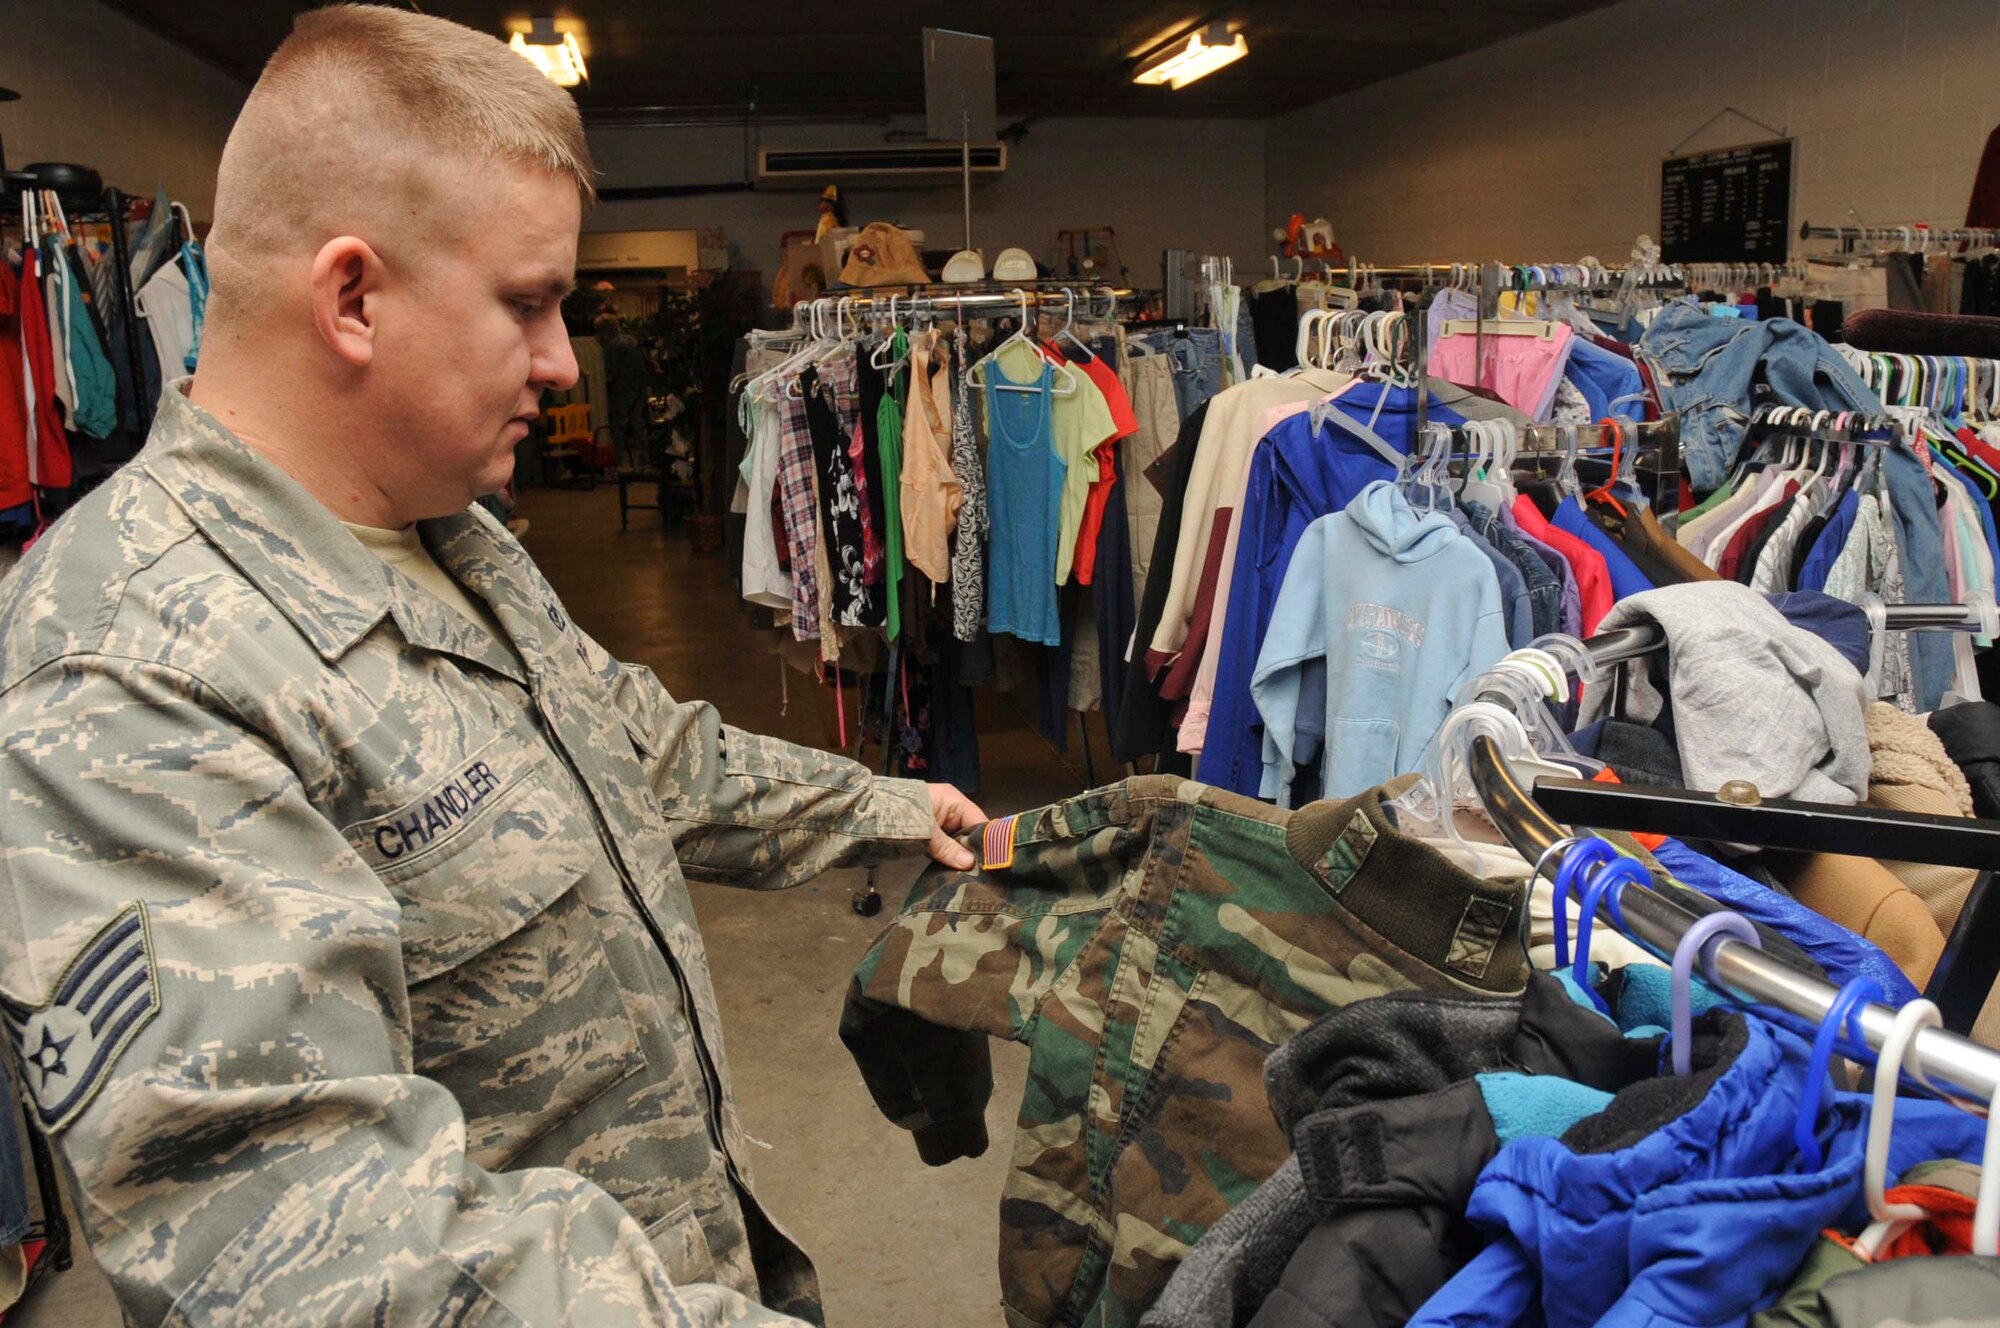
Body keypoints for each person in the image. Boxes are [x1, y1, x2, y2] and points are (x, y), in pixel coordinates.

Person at [0, 8, 984, 1326]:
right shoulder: (124, 679)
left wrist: (890, 809)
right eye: (527, 305)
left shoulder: (447, 527)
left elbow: (624, 742)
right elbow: (324, 1254)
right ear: (353, 297)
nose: (565, 361)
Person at [595, 311, 651, 470]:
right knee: (637, 424)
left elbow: (610, 373)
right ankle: (646, 459)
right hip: (638, 388)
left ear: (606, 331)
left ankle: (616, 462)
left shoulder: (612, 346)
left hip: (621, 390)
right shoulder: (632, 340)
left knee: (617, 426)